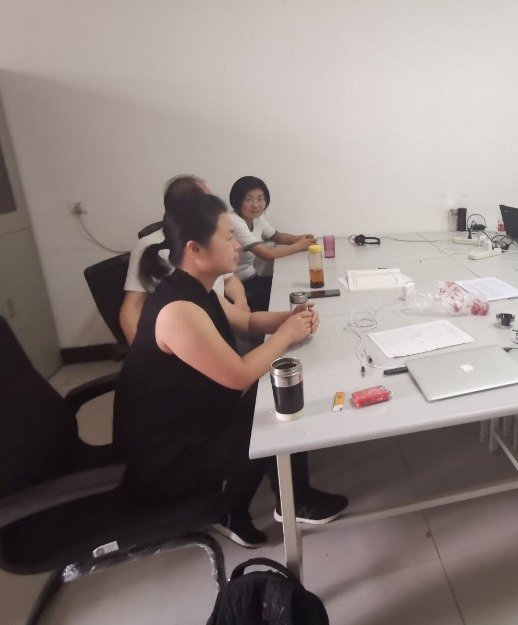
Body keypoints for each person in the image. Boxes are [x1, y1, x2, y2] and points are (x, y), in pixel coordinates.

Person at [114, 194, 347, 548]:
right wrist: (286, 335)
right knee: (279, 403)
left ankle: (265, 500)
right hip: (170, 457)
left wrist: (291, 318)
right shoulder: (178, 309)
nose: (237, 244)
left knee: (274, 392)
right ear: (194, 249)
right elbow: (239, 375)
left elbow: (248, 321)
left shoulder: (196, 287)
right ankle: (248, 506)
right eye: (227, 237)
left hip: (196, 422)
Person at [120, 175, 248, 344]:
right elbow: (132, 306)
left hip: (220, 321)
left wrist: (241, 304)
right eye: (207, 200)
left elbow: (229, 280)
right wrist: (139, 349)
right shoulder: (151, 247)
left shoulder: (208, 294)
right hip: (192, 334)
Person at [228, 176, 317, 312]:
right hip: (237, 287)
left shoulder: (257, 218)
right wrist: (299, 245)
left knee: (290, 288)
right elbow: (267, 254)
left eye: (260, 199)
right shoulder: (234, 221)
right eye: (249, 199)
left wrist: (300, 238)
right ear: (237, 201)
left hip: (253, 278)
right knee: (286, 295)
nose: (256, 205)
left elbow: (277, 237)